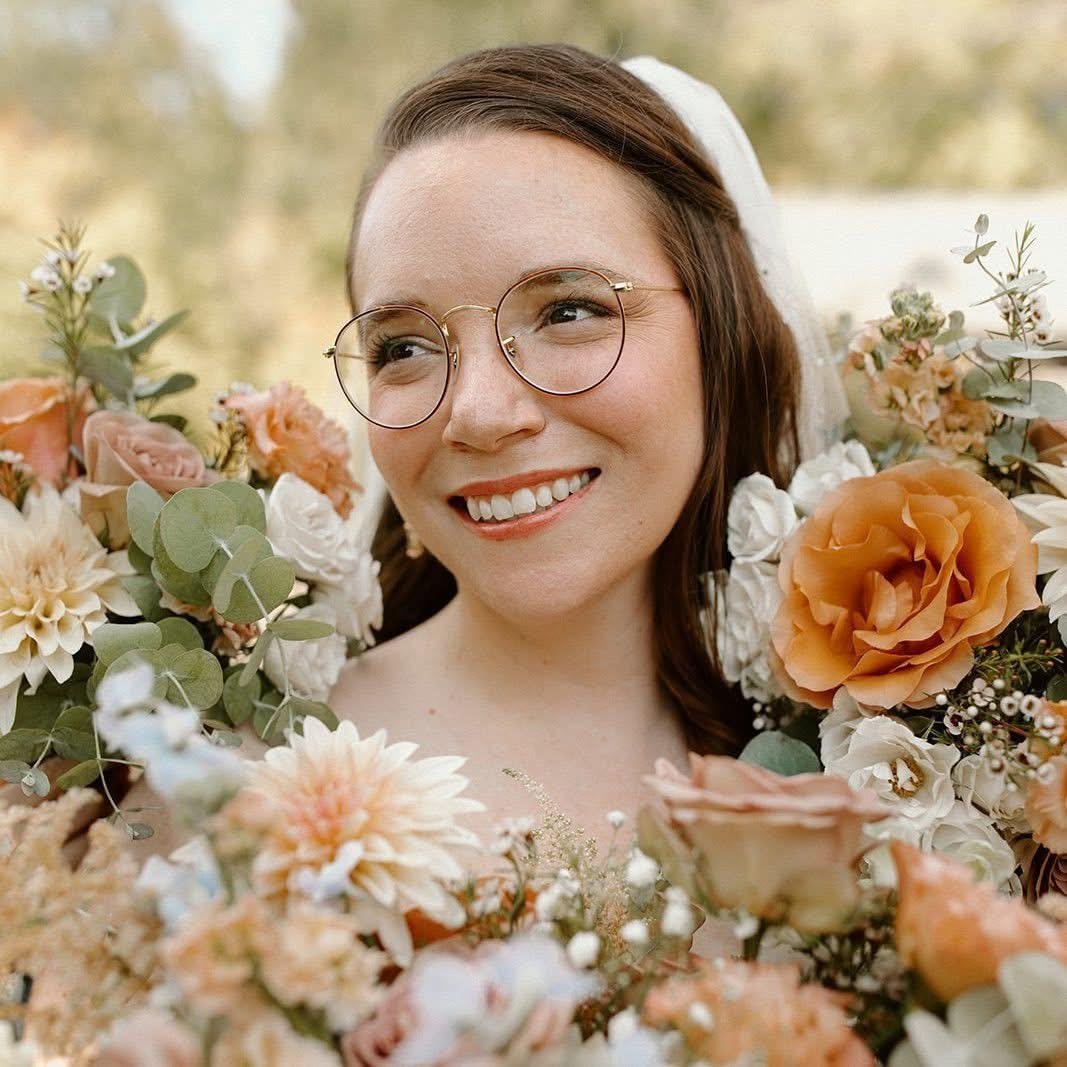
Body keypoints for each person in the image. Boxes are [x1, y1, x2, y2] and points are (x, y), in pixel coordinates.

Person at [325, 42, 843, 853]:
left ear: (718, 329)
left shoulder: (910, 750)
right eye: (403, 347)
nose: (479, 414)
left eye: (566, 312)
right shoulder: (259, 781)